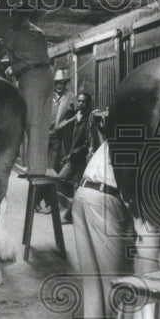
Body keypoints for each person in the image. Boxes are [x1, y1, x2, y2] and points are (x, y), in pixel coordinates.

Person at [70, 139, 134, 319]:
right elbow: (132, 189)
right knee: (117, 274)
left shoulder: (118, 134)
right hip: (104, 198)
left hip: (82, 194)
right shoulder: (143, 138)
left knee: (90, 271)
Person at [0, 7, 55, 175]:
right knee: (44, 126)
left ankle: (34, 171)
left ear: (15, 15)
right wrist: (12, 64)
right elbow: (30, 56)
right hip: (47, 76)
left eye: (11, 16)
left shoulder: (14, 33)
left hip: (31, 79)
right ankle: (40, 168)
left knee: (32, 124)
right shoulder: (39, 32)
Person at [56, 91, 94, 221]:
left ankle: (68, 216)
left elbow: (88, 142)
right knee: (59, 178)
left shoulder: (90, 118)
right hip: (73, 157)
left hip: (82, 159)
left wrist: (74, 153)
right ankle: (76, 192)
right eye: (79, 101)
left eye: (83, 101)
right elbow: (75, 139)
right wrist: (69, 154)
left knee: (77, 187)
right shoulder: (79, 116)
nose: (80, 103)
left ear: (89, 103)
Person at [48, 69, 74, 173]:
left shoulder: (70, 96)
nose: (59, 85)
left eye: (62, 83)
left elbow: (74, 112)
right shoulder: (47, 95)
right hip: (43, 136)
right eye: (57, 83)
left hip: (58, 136)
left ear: (66, 83)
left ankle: (52, 188)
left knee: (54, 166)